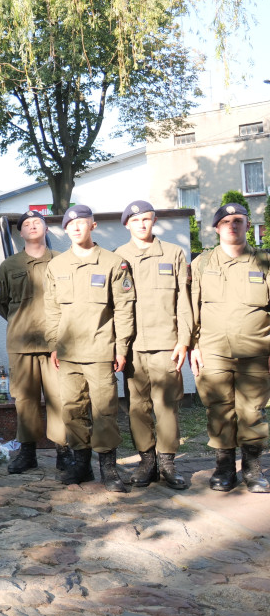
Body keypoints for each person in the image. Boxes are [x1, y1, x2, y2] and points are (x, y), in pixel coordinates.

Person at [45, 204, 136, 492]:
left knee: (105, 411)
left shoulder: (113, 263)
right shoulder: (56, 266)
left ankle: (108, 468)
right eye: (70, 224)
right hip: (68, 353)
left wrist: (121, 348)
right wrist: (53, 345)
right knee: (72, 409)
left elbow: (124, 308)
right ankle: (80, 465)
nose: (75, 227)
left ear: (92, 226)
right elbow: (52, 310)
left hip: (100, 351)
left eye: (81, 223)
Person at [190, 203, 270, 493]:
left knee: (252, 411)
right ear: (216, 228)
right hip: (212, 350)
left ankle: (252, 470)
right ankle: (224, 468)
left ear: (248, 225)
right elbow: (190, 307)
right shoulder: (202, 263)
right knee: (219, 411)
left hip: (256, 351)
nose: (232, 225)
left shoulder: (265, 262)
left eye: (239, 220)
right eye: (226, 221)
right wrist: (192, 346)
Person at [115, 202, 192, 490]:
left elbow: (183, 302)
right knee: (137, 407)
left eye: (147, 219)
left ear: (154, 220)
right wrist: (118, 347)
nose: (142, 224)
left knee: (167, 406)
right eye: (135, 220)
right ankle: (147, 461)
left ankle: (168, 463)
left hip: (165, 343)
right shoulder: (118, 257)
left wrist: (184, 341)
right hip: (133, 346)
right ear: (127, 224)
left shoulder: (173, 253)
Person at [0, 210, 71, 475]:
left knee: (59, 398)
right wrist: (21, 321)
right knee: (25, 400)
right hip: (22, 344)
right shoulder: (9, 266)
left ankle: (63, 451)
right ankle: (27, 453)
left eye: (38, 222)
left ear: (46, 229)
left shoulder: (62, 262)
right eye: (27, 224)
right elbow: (1, 304)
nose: (32, 226)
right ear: (21, 233)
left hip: (56, 345)